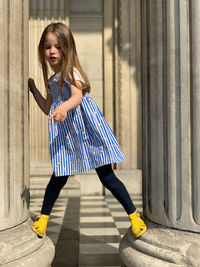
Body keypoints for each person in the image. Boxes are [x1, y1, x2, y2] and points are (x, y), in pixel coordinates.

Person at [28, 22, 147, 239]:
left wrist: (63, 107)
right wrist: (34, 90)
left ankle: (134, 216)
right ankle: (43, 219)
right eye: (48, 47)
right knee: (58, 177)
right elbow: (48, 107)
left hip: (87, 131)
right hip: (69, 135)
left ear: (68, 48)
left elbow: (76, 97)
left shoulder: (71, 72)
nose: (52, 51)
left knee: (107, 177)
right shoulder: (52, 80)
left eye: (58, 46)